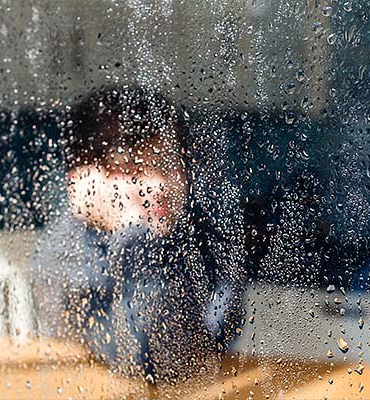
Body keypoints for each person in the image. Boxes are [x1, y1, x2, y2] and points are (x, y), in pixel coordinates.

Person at [30, 86, 247, 382]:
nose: (157, 185)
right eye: (133, 169)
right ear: (84, 181)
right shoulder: (69, 246)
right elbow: (130, 354)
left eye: (166, 164)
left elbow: (198, 349)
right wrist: (132, 237)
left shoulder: (198, 235)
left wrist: (135, 235)